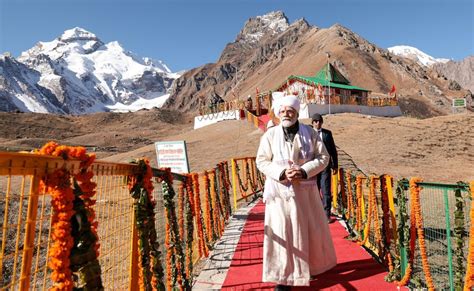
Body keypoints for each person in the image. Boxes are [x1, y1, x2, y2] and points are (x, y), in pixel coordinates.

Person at [256, 95, 337, 290]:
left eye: (290, 110)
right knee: (282, 234)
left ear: (297, 112)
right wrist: (282, 173)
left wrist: (303, 171)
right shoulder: (269, 135)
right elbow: (261, 161)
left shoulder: (310, 133)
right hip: (279, 194)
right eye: (282, 111)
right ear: (278, 113)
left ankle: (305, 269)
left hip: (305, 194)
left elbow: (323, 157)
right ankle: (283, 278)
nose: (286, 113)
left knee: (305, 232)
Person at [311, 113, 338, 222]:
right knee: (314, 190)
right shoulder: (308, 133)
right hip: (312, 166)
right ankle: (316, 213)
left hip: (325, 166)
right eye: (316, 121)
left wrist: (335, 165)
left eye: (320, 121)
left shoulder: (327, 134)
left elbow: (333, 150)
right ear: (312, 122)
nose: (318, 123)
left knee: (326, 189)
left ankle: (326, 215)